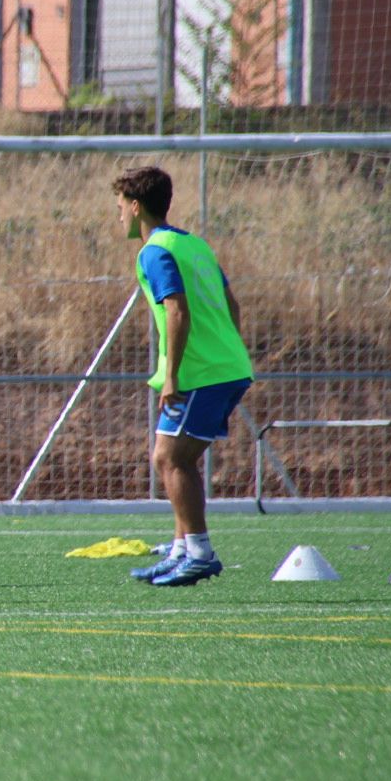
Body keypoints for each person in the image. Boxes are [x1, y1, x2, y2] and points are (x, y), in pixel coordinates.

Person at [114, 166, 251, 587]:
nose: (118, 216)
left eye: (120, 208)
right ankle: (180, 550)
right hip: (222, 366)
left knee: (170, 458)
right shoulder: (193, 244)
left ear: (136, 207)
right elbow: (232, 305)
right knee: (177, 457)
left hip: (200, 372)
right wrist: (227, 351)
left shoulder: (154, 251)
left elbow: (176, 310)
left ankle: (199, 552)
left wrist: (172, 375)